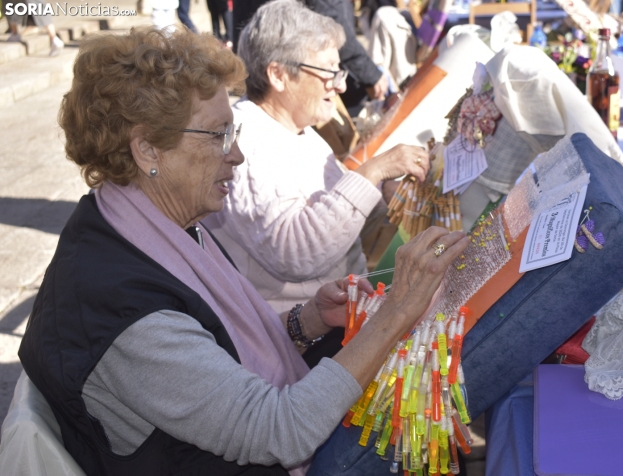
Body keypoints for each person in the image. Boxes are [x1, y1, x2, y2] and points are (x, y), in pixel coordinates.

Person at [17, 25, 469, 474]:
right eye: (218, 136)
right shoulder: (120, 302)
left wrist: (304, 322)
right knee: (436, 419)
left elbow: (210, 352)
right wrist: (397, 314)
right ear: (148, 150)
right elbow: (280, 432)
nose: (236, 156)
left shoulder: (146, 225)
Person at [204, 0, 429, 313]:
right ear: (279, 75)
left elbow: (341, 223)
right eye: (327, 71)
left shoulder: (302, 133)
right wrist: (372, 173)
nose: (339, 85)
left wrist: (388, 194)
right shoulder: (247, 142)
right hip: (291, 336)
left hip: (336, 316)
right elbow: (295, 253)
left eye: (339, 71)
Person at [231, 0, 390, 112]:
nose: (341, 86)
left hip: (260, 73)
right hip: (289, 75)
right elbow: (332, 17)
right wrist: (370, 75)